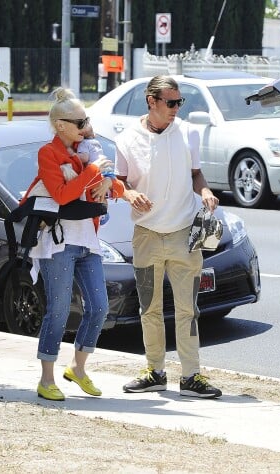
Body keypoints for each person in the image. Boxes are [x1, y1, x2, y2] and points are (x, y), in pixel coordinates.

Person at [115, 75, 222, 399]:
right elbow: (118, 181)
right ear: (152, 101)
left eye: (179, 102)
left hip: (184, 236)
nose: (176, 108)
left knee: (188, 309)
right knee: (149, 307)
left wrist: (204, 190)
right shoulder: (128, 139)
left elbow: (195, 173)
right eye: (170, 102)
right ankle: (155, 371)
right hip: (146, 235)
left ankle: (191, 376)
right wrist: (129, 195)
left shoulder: (188, 133)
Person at [22, 87, 125, 401]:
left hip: (88, 241)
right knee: (58, 311)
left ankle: (77, 369)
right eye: (80, 122)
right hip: (58, 243)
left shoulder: (89, 148)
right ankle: (46, 378)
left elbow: (118, 189)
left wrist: (107, 180)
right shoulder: (49, 154)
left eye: (87, 120)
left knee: (99, 308)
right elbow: (62, 196)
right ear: (60, 126)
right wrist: (94, 171)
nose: (86, 127)